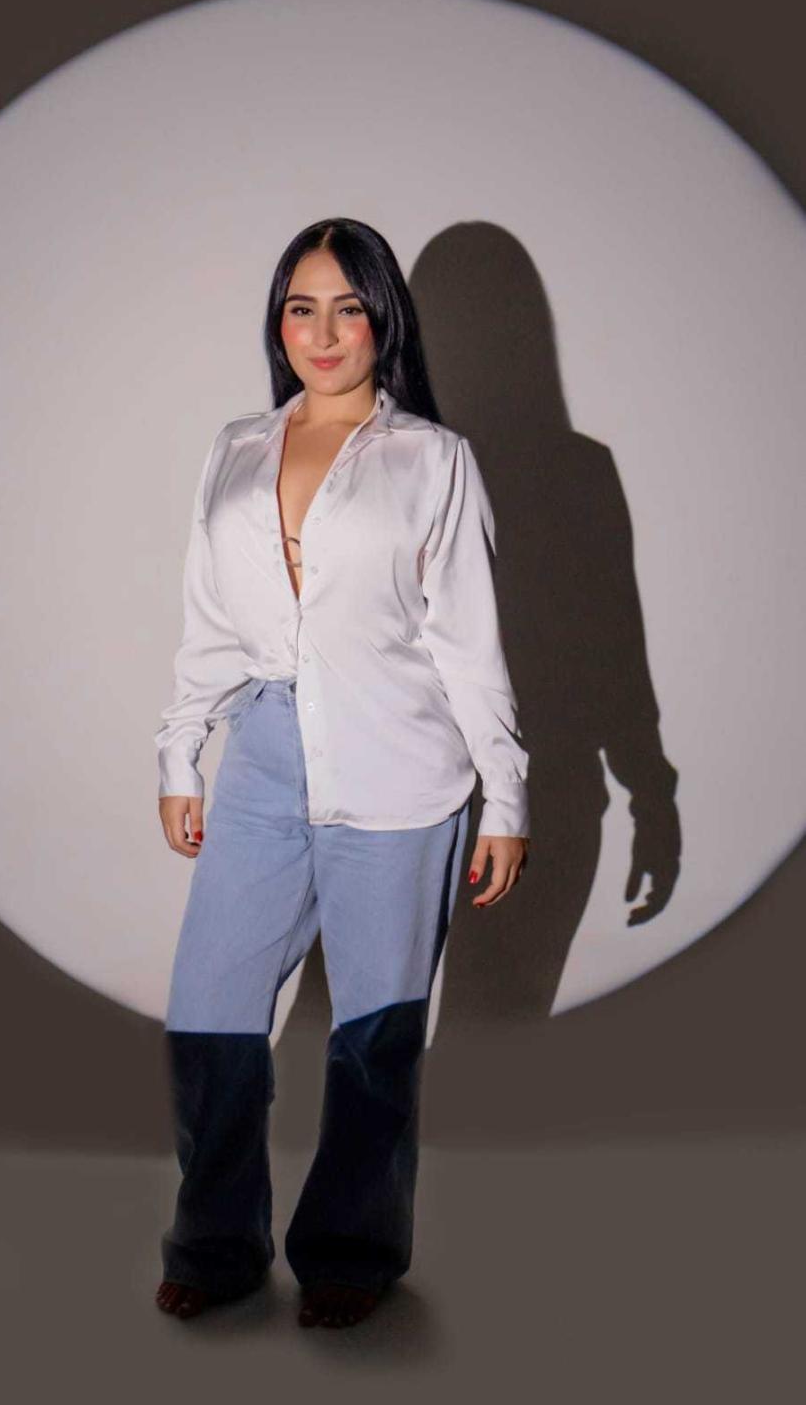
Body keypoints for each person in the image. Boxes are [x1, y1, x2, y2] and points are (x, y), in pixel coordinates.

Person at [153, 217, 530, 1329]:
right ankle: (217, 1245)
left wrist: (504, 796)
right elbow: (208, 621)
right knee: (208, 1015)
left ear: (382, 321)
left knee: (376, 1033)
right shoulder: (234, 448)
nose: (323, 334)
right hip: (265, 756)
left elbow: (469, 644)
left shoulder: (432, 461)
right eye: (300, 308)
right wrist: (180, 750)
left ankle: (349, 1256)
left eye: (347, 308)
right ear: (278, 324)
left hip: (400, 766)